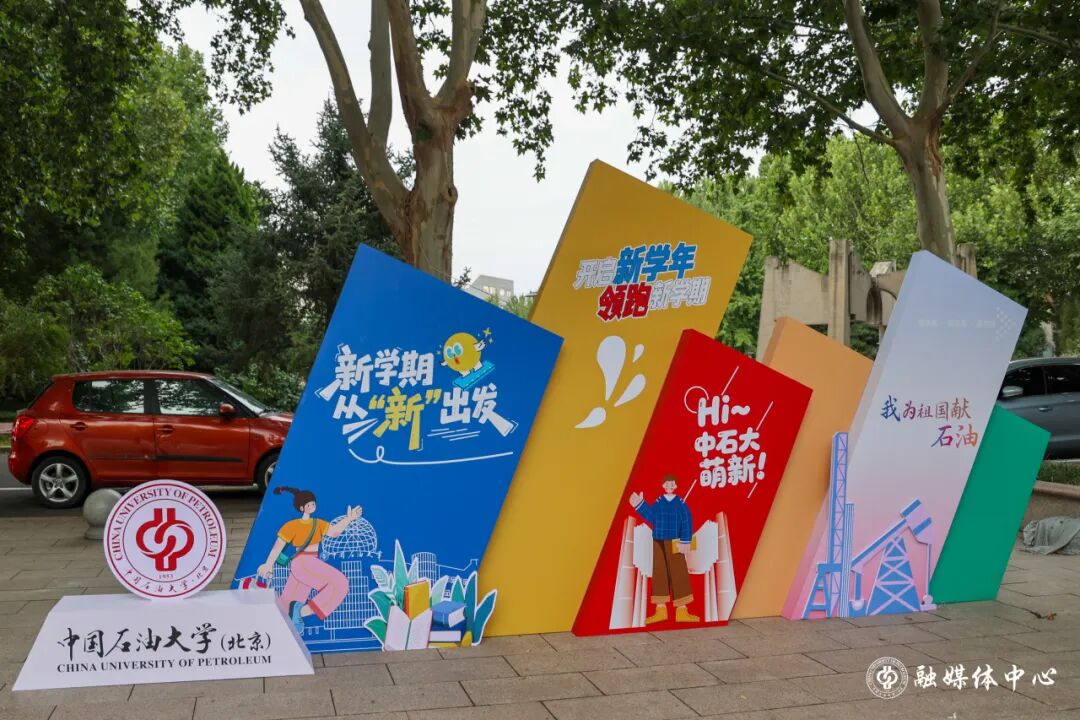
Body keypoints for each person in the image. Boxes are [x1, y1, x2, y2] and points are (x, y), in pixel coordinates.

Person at [257, 486, 363, 631]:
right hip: (303, 563)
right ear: (301, 508)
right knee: (340, 584)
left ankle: (273, 627)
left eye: (313, 503)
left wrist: (349, 519)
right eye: (309, 504)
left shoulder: (318, 523)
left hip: (308, 564)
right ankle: (300, 612)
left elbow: (334, 532)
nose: (312, 506)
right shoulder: (292, 526)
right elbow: (278, 546)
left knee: (287, 603)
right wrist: (268, 564)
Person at [628, 474, 700, 624]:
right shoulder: (659, 502)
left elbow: (687, 520)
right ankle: (661, 610)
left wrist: (685, 540)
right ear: (663, 486)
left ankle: (682, 611)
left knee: (678, 572)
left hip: (675, 541)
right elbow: (651, 516)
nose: (669, 486)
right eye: (667, 484)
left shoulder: (680, 503)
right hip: (658, 540)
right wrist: (640, 504)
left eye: (672, 484)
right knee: (659, 572)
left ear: (675, 486)